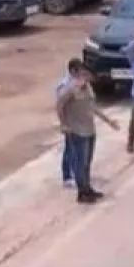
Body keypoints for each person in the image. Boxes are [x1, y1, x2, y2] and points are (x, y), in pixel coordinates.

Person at [55, 63, 120, 203]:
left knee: (87, 163)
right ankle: (82, 192)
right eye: (84, 74)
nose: (86, 77)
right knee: (80, 163)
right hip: (77, 130)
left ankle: (87, 188)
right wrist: (64, 124)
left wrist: (109, 121)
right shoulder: (70, 88)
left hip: (90, 129)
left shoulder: (88, 88)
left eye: (87, 75)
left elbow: (93, 107)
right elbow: (59, 105)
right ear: (76, 74)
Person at [55, 58, 85, 187]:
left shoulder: (78, 82)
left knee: (77, 149)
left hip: (79, 122)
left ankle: (76, 172)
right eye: (79, 71)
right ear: (73, 70)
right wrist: (63, 123)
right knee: (69, 149)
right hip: (69, 121)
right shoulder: (64, 85)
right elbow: (60, 106)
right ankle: (67, 176)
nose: (81, 73)